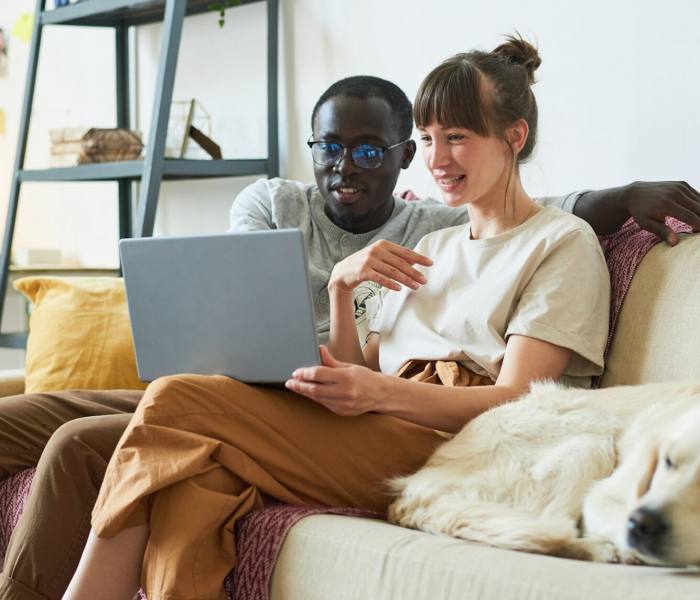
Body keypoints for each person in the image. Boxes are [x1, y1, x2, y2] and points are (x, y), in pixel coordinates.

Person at [0, 72, 698, 600]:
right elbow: (363, 358)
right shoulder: (441, 243)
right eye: (430, 139)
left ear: (513, 138)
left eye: (455, 137)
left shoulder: (553, 242)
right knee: (193, 477)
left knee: (176, 404)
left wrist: (373, 390)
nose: (438, 157)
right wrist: (342, 288)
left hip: (456, 436)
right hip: (344, 403)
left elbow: (521, 392)